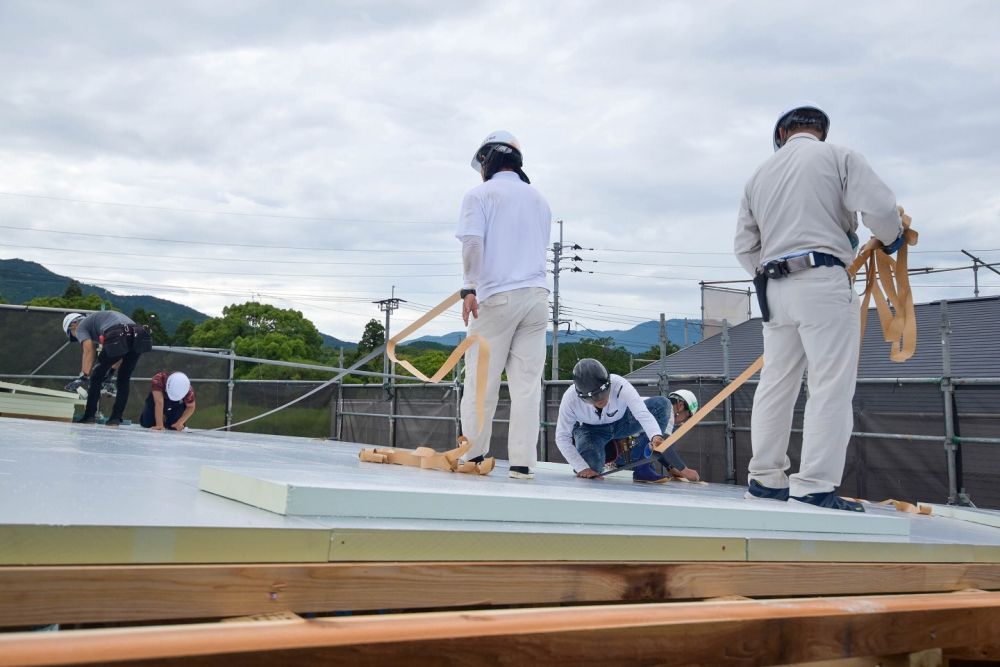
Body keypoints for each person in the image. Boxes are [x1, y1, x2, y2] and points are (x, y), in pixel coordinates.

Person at [734, 101, 904, 512]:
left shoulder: (758, 176)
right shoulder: (838, 156)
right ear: (820, 132)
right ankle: (812, 486)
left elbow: (744, 246)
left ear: (781, 136)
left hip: (774, 288)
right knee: (829, 386)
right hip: (823, 280)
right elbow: (880, 209)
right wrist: (892, 236)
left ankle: (765, 480)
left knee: (777, 385)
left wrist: (770, 270)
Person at [457, 130, 551, 479]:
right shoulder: (539, 199)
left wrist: (468, 287)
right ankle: (523, 464)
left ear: (487, 159)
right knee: (526, 386)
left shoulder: (480, 195)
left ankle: (475, 456)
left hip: (497, 298)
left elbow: (472, 243)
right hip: (537, 299)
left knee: (482, 383)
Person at [555, 358, 701, 483]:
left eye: (604, 395)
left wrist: (655, 436)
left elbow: (642, 413)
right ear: (581, 395)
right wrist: (582, 467)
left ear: (608, 383)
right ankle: (596, 456)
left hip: (622, 423)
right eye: (594, 399)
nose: (601, 401)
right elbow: (562, 437)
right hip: (591, 431)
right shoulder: (570, 399)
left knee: (661, 405)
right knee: (591, 470)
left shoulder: (620, 384)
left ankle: (643, 467)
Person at [63, 311, 152, 426]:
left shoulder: (81, 326)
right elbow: (118, 353)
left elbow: (89, 350)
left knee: (96, 376)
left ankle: (89, 416)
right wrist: (110, 373)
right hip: (139, 334)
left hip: (118, 333)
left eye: (72, 335)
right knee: (123, 379)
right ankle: (115, 419)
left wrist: (83, 376)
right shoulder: (101, 322)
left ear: (73, 324)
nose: (77, 338)